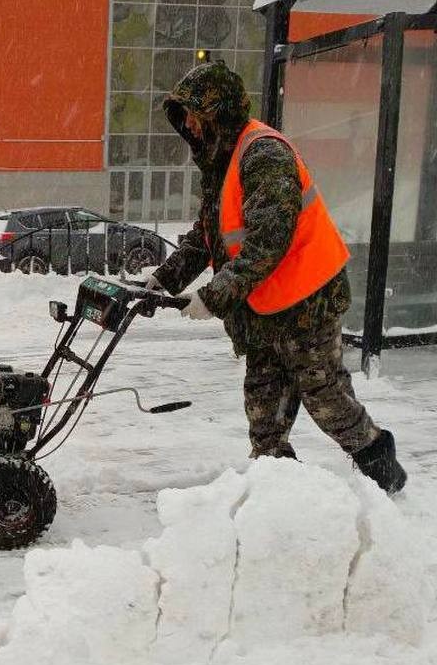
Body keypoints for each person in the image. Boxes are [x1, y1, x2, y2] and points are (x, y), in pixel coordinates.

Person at [147, 61, 406, 494]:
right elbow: (208, 235)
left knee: (325, 397)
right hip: (264, 306)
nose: (188, 124)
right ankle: (278, 497)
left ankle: (385, 474)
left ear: (218, 112)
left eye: (194, 113)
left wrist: (213, 297)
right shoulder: (222, 160)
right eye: (184, 115)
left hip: (308, 301)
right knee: (264, 411)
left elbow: (268, 241)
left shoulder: (264, 155)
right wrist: (161, 281)